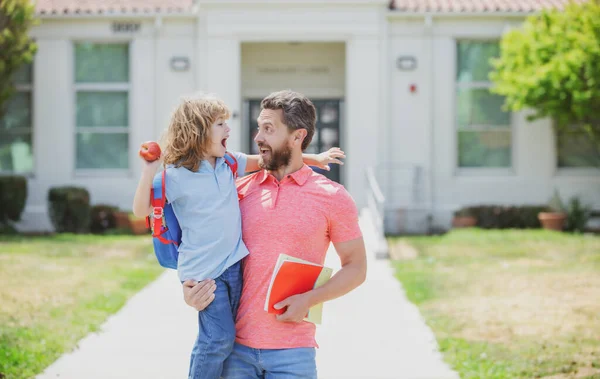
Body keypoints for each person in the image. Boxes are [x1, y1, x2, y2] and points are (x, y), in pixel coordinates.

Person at [131, 93, 345, 379]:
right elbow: (141, 209)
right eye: (221, 124)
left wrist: (313, 158)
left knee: (226, 336)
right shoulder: (176, 176)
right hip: (205, 272)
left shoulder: (229, 164)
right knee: (217, 339)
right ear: (198, 131)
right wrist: (148, 170)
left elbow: (267, 160)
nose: (229, 130)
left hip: (232, 266)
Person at [183, 90, 367, 379]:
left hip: (294, 354)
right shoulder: (236, 191)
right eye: (259, 127)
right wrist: (192, 289)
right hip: (236, 353)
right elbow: (201, 245)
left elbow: (356, 267)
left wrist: (310, 299)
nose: (258, 137)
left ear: (297, 136)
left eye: (268, 129)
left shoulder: (332, 197)